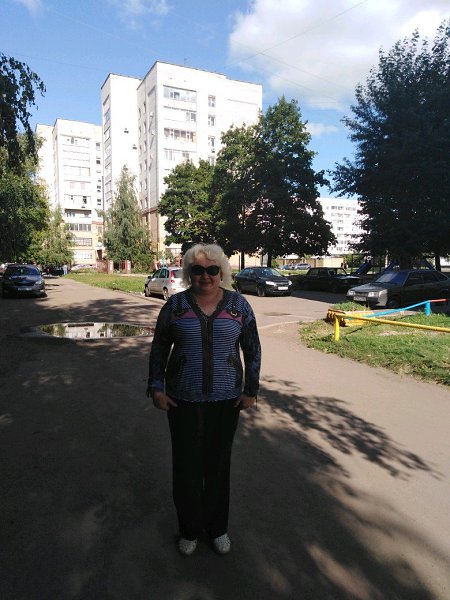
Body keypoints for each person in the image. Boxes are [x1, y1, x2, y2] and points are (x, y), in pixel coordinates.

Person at [147, 243, 261, 556]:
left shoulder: (239, 306)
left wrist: (251, 390)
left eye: (212, 270)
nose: (205, 276)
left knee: (218, 467)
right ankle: (189, 530)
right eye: (198, 270)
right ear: (189, 273)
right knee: (186, 468)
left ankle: (217, 528)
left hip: (227, 402)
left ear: (222, 272)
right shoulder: (175, 306)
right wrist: (157, 387)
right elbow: (159, 349)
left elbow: (252, 349)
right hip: (182, 401)